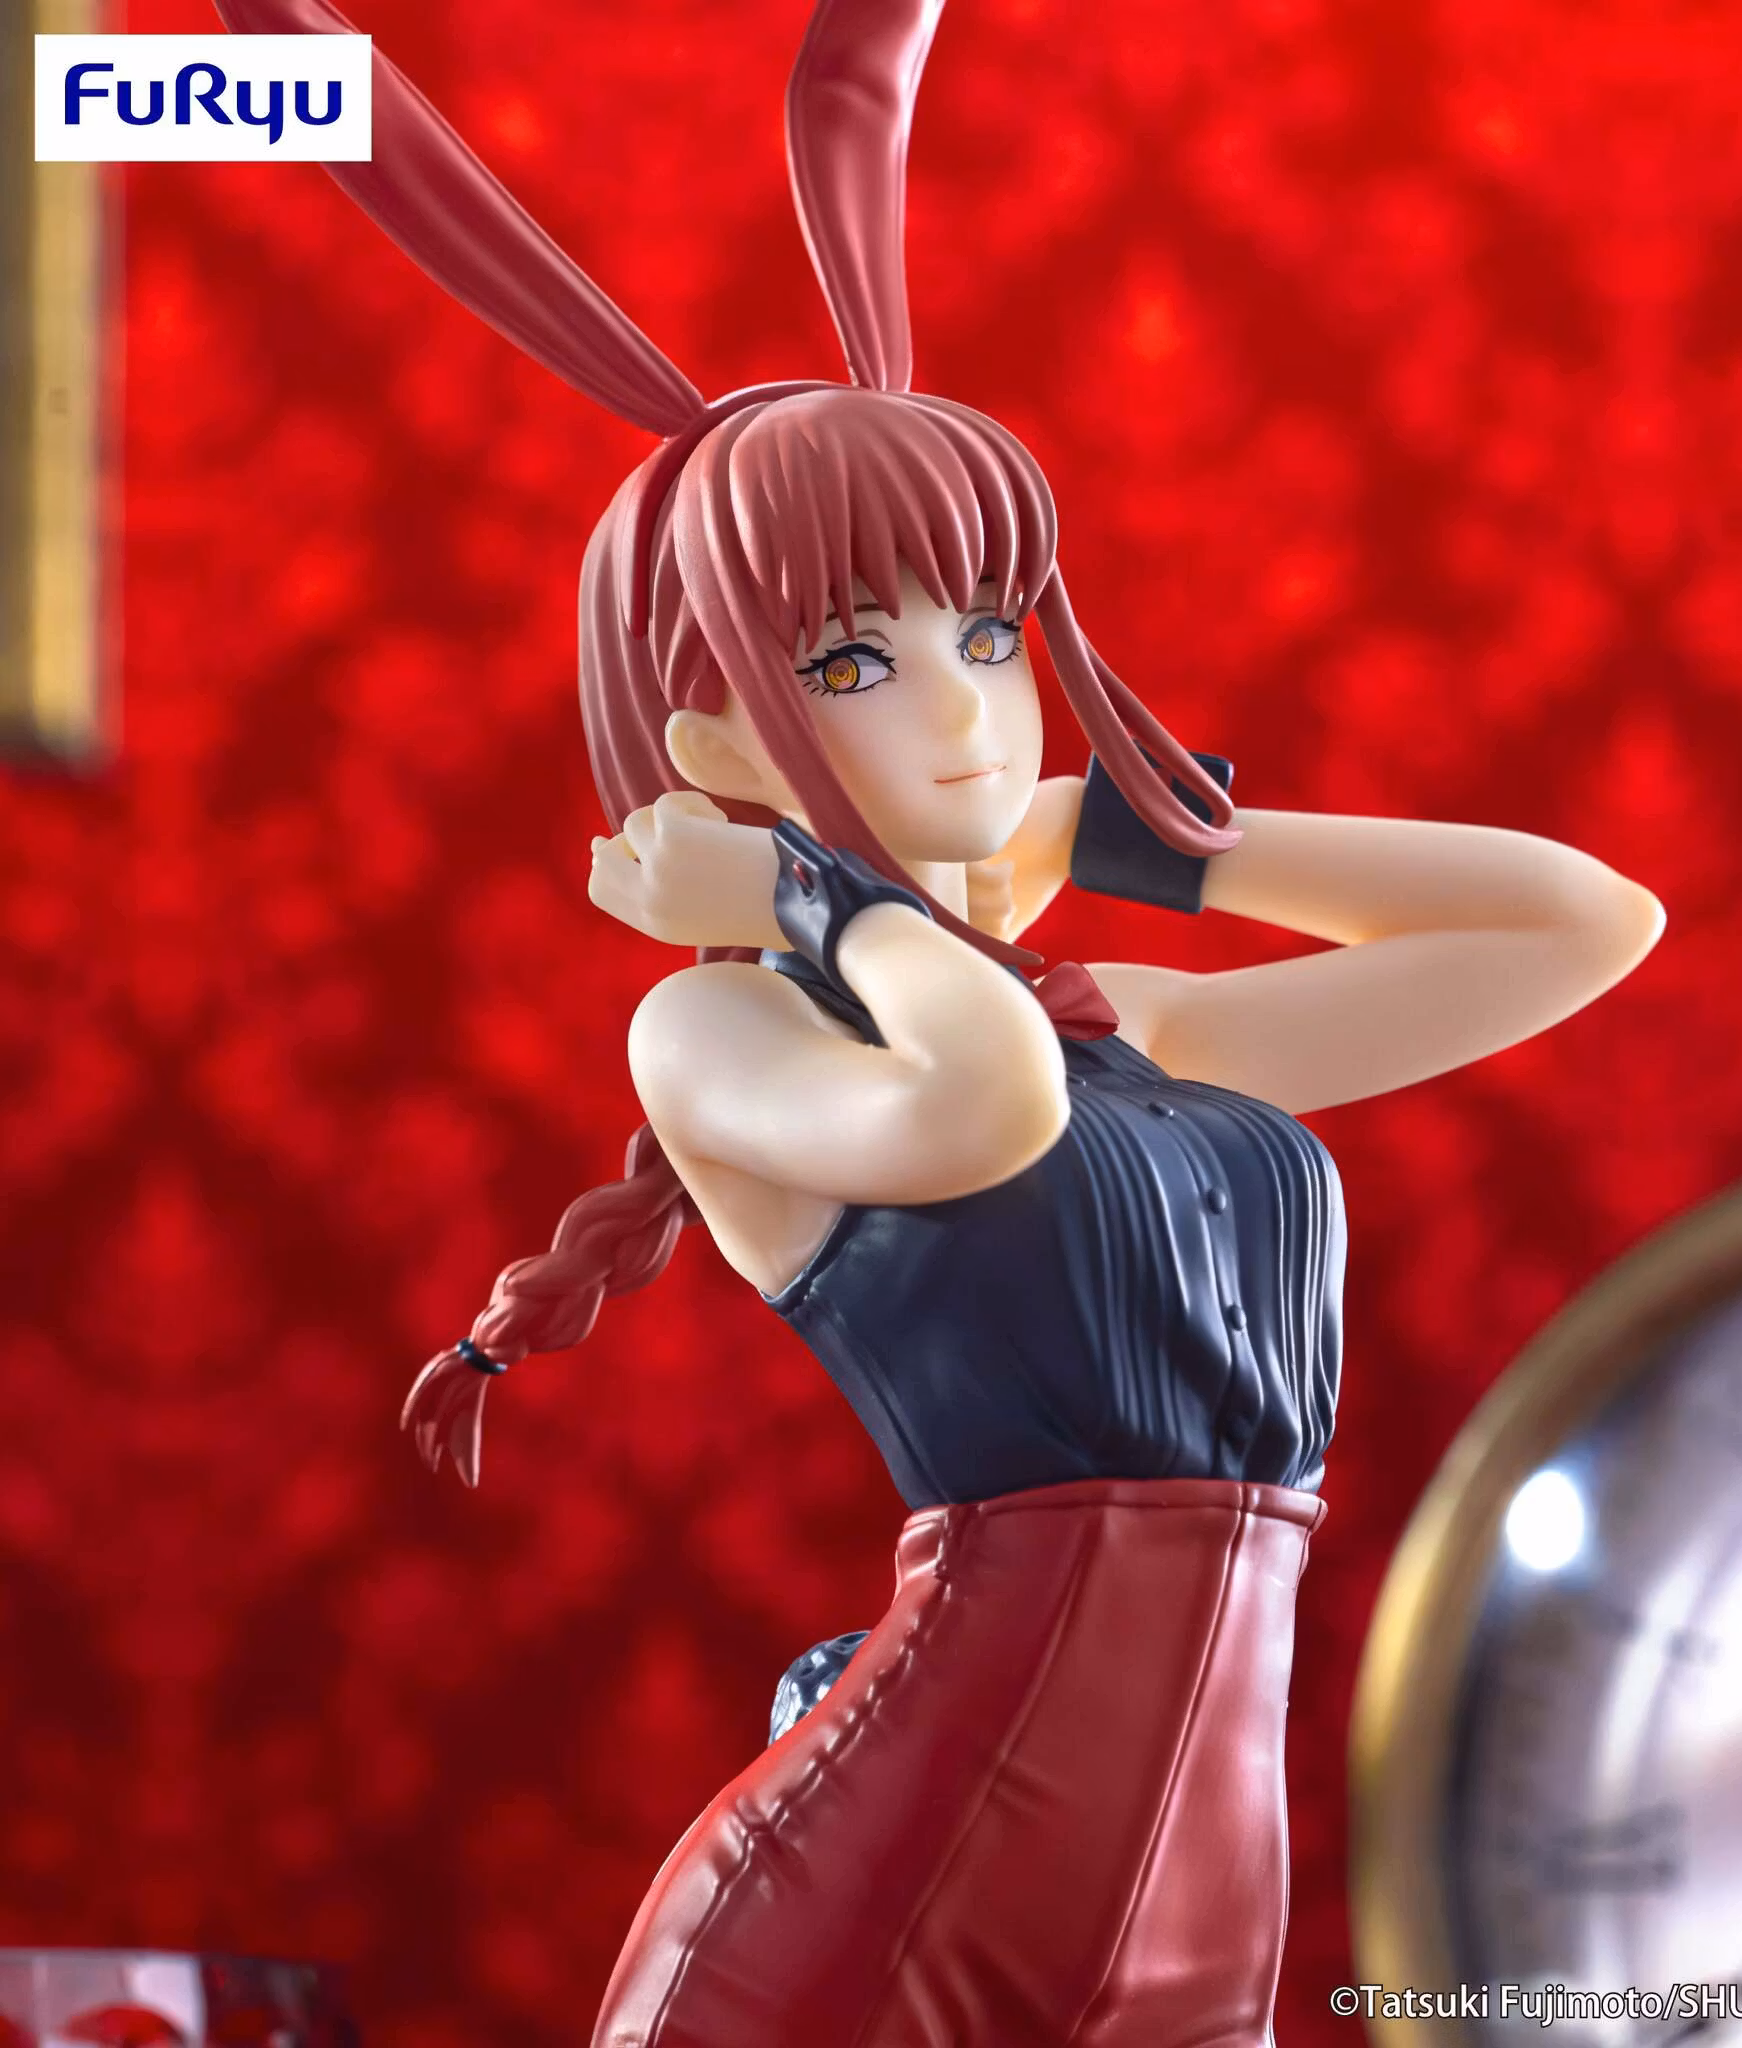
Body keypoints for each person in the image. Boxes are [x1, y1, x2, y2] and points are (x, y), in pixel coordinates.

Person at [216, 0, 1664, 2040]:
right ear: (714, 736)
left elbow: (1580, 919)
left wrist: (1140, 835)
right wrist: (810, 898)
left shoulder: (1112, 1016)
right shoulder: (717, 1040)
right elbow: (978, 1113)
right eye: (851, 657)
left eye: (987, 628)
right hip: (871, 1904)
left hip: (1202, 1914)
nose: (970, 704)